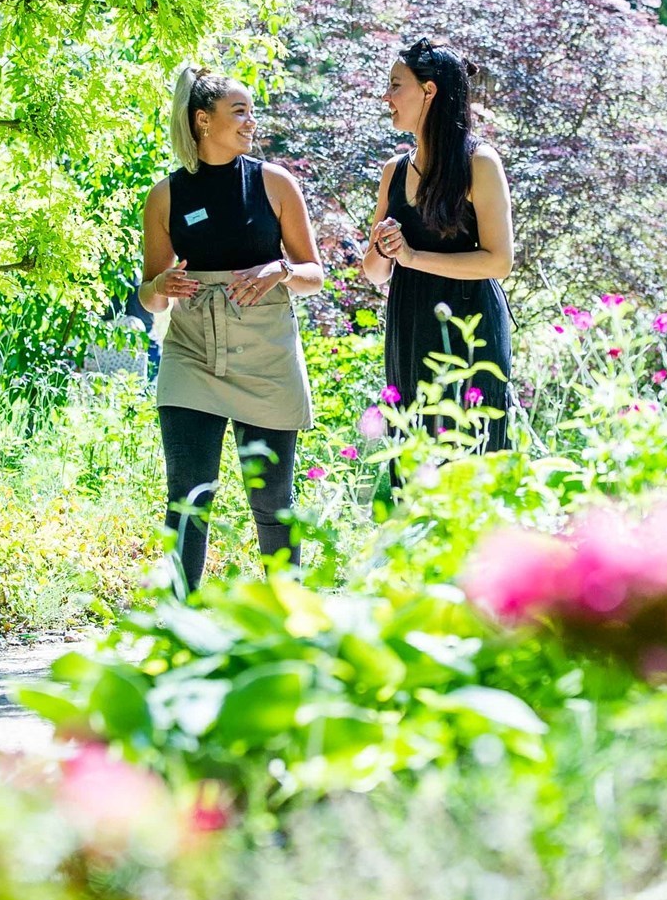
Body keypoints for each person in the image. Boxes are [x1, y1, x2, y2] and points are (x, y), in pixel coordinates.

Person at [140, 64, 324, 592]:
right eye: (239, 111)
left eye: (251, 111)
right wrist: (160, 289)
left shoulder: (275, 183)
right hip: (192, 351)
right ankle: (179, 626)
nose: (250, 121)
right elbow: (149, 291)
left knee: (272, 500)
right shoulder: (166, 196)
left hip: (265, 353)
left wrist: (279, 271)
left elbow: (314, 275)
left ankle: (286, 620)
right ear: (203, 120)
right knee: (189, 494)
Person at [362, 37, 515, 450]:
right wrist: (381, 246)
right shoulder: (393, 170)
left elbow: (499, 262)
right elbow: (375, 273)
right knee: (412, 452)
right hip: (409, 321)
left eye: (396, 85)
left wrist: (412, 256)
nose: (386, 96)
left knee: (472, 455)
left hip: (470, 323)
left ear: (429, 90)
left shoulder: (479, 162)